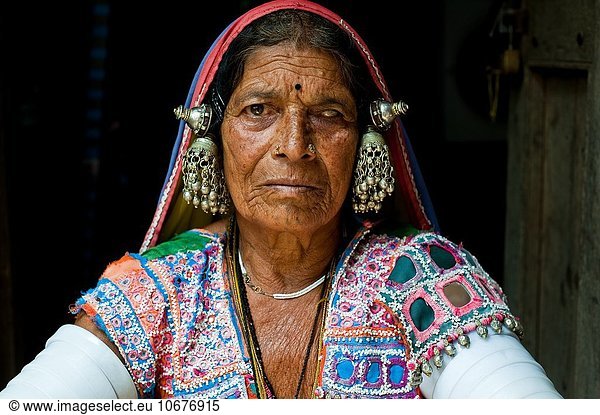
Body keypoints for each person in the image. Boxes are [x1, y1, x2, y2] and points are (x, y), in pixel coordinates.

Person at [0, 0, 562, 399]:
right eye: (258, 111)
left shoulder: (420, 279)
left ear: (366, 143)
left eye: (329, 115)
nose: (295, 147)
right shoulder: (161, 293)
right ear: (211, 141)